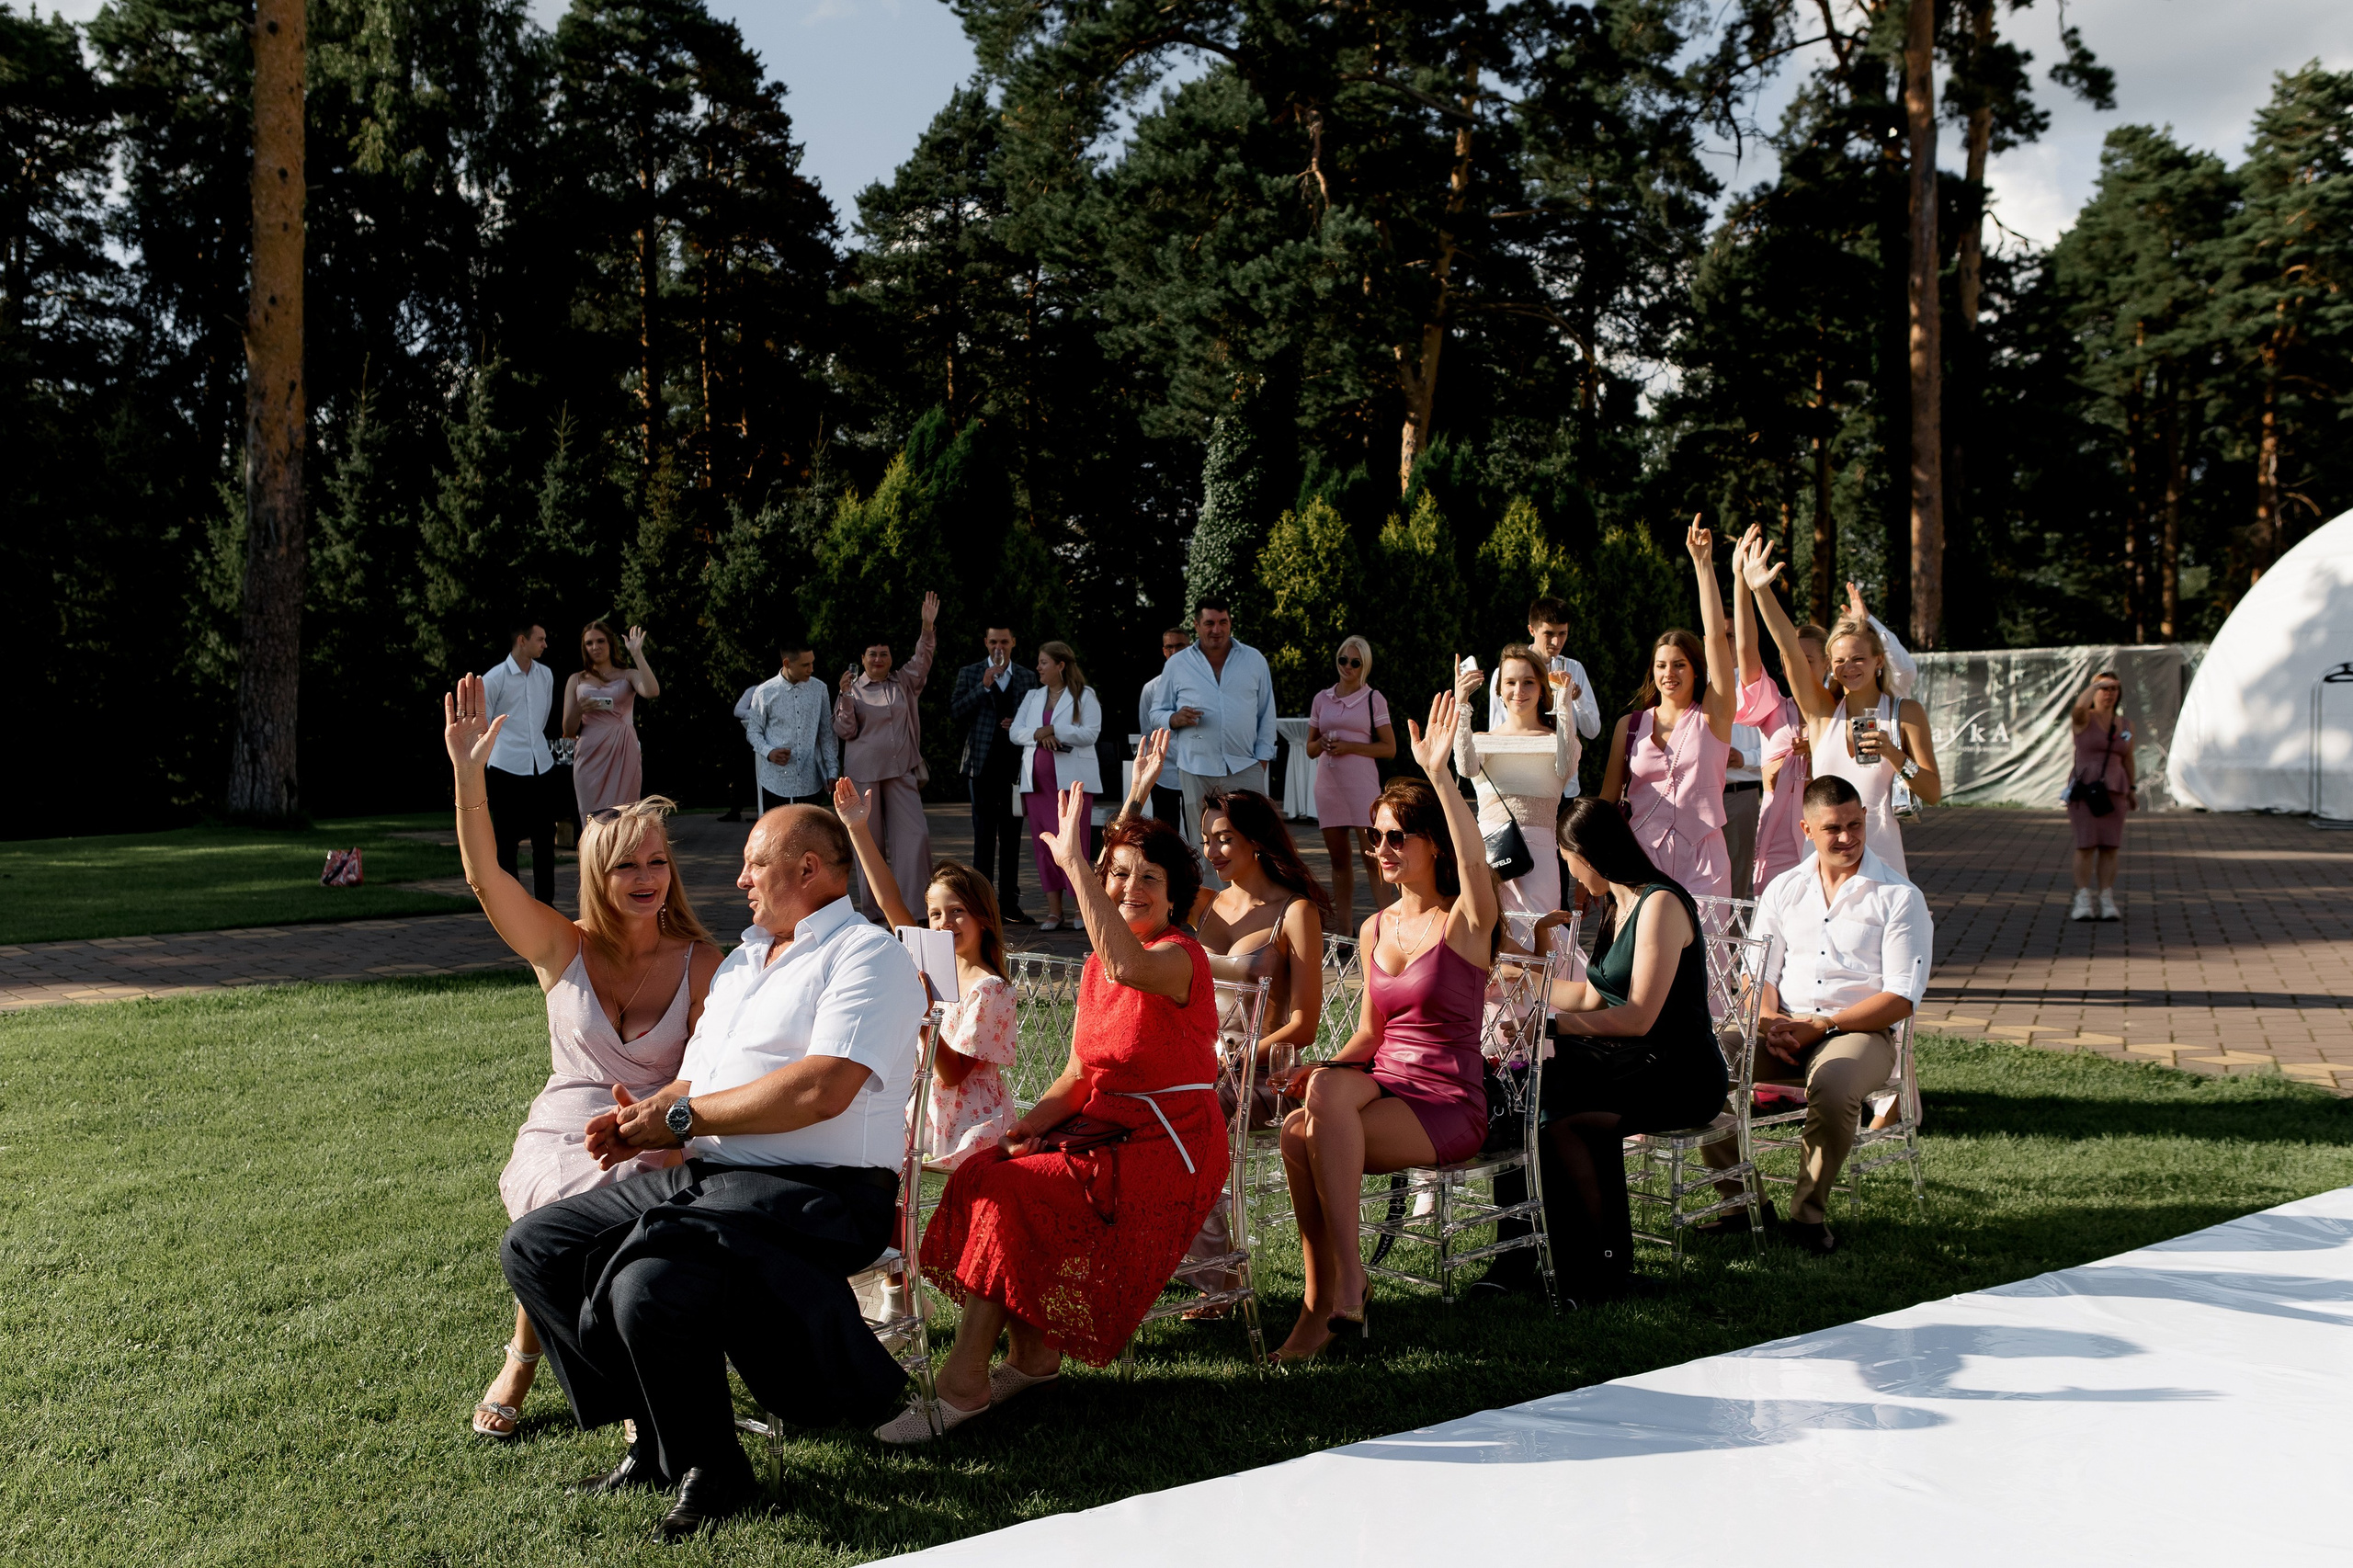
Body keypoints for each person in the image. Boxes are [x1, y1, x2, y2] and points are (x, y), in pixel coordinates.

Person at [500, 804, 929, 1538]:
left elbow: (821, 1087)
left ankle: (716, 1468)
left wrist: (680, 1122)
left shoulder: (867, 956)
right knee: (536, 1247)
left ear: (809, 872)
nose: (740, 879)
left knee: (646, 1285)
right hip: (712, 1181)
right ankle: (657, 1437)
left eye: (756, 864)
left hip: (818, 1193)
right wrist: (642, 1122)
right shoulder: (740, 961)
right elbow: (691, 1084)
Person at [893, 791, 1228, 1439]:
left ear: (1174, 896)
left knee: (1012, 1195)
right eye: (1120, 874)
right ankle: (1033, 1355)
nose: (1131, 888)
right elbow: (1079, 1075)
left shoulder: (1177, 957)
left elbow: (1132, 966)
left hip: (1167, 1147)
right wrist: (1028, 1127)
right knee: (983, 1172)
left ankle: (962, 1383)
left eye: (1149, 879)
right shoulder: (1098, 965)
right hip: (1100, 1132)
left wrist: (1077, 863)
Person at [441, 676, 723, 1446]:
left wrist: (652, 1116)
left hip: (654, 1124)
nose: (645, 879)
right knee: (556, 1210)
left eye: (657, 863)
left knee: (608, 1208)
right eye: (626, 866)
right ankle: (552, 1365)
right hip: (564, 1123)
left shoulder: (702, 961)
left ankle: (552, 1363)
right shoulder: (560, 946)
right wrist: (470, 775)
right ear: (598, 873)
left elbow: (718, 1067)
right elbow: (484, 878)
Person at [1267, 692, 1500, 1363]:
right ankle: (1328, 1298)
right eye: (1377, 836)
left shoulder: (1465, 921)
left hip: (1448, 1101)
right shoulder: (1373, 927)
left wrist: (1440, 776)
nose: (1382, 848)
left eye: (1398, 836)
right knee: (1303, 1119)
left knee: (1307, 1126)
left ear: (1432, 845)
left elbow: (1478, 863)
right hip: (1386, 1083)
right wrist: (1320, 1070)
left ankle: (1344, 1287)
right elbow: (1370, 1036)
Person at [1700, 775, 1932, 1256]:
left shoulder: (1899, 896)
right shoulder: (1783, 889)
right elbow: (1755, 975)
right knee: (1699, 1066)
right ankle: (1743, 1202)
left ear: (1865, 819)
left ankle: (1807, 1214)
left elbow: (1901, 998)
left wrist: (1821, 1026)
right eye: (1832, 829)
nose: (1846, 837)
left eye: (1854, 824)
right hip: (1782, 1025)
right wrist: (1770, 1025)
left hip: (1858, 1030)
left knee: (1834, 1084)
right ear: (1806, 829)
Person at [1521, 799, 1729, 1303]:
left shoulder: (1659, 903)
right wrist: (1520, 979)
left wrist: (1549, 1025)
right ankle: (1578, 1263)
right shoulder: (1620, 902)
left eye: (1568, 859)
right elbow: (1594, 996)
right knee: (1545, 1099)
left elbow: (1638, 1016)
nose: (1568, 870)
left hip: (1682, 1074)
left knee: (1567, 1117)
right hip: (1633, 1065)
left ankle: (1599, 1267)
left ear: (1587, 854)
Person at [834, 777, 1019, 1167]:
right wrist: (858, 828)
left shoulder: (991, 991)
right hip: (922, 1112)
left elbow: (953, 1075)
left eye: (957, 912)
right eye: (936, 914)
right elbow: (888, 901)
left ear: (983, 918)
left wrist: (924, 1017)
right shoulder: (932, 961)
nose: (945, 923)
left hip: (969, 1125)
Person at [1733, 538, 1942, 878]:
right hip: (1821, 861)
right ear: (1832, 665)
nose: (1850, 667)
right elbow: (1789, 649)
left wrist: (1894, 754)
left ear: (1878, 660)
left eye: (1859, 658)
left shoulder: (1905, 713)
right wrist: (1761, 591)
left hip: (1882, 859)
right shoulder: (1822, 713)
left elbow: (1932, 792)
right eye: (1841, 660)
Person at [1599, 517, 1738, 904]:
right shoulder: (1630, 726)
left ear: (1696, 670)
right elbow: (1607, 802)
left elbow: (1715, 639)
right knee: (1647, 962)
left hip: (1703, 862)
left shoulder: (1714, 715)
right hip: (1639, 861)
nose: (1669, 673)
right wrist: (1592, 866)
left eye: (1679, 664)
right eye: (1661, 665)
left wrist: (1703, 566)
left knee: (1704, 962)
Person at [1454, 642, 1580, 940]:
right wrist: (1461, 704)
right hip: (1490, 857)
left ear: (1541, 687)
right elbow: (1465, 767)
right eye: (1510, 682)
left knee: (1542, 942)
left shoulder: (1557, 740)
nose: (1519, 690)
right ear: (1499, 689)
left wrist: (1563, 702)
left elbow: (1566, 765)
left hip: (1539, 861)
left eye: (1528, 682)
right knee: (1489, 939)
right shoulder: (1483, 739)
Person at [1148, 599, 1278, 885]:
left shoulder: (1254, 659)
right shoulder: (1179, 664)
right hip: (1195, 766)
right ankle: (1212, 912)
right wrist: (1175, 718)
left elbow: (1267, 713)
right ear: (1197, 626)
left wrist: (1262, 761)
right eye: (1209, 623)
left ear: (1230, 623)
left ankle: (1256, 906)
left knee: (1253, 839)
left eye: (1223, 622)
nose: (1216, 629)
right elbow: (1156, 712)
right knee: (1203, 841)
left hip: (1245, 764)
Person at [834, 591, 941, 918]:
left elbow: (923, 658)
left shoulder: (904, 682)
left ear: (891, 657)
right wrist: (844, 696)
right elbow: (844, 730)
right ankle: (876, 912)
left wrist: (926, 626)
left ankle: (916, 910)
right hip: (863, 774)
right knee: (870, 844)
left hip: (901, 771)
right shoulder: (852, 686)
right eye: (872, 655)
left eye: (883, 654)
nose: (878, 659)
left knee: (916, 836)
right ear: (862, 658)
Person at [949, 625, 1042, 924]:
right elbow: (955, 711)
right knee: (984, 837)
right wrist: (983, 686)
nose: (998, 647)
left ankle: (1009, 904)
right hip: (981, 765)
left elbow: (1039, 716)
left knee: (1013, 835)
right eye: (993, 642)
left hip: (1015, 767)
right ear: (985, 643)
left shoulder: (1028, 676)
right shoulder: (971, 672)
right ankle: (982, 904)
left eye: (1004, 641)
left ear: (1013, 642)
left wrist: (1020, 722)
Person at [1012, 641, 1103, 930]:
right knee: (1044, 846)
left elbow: (1090, 733)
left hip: (1073, 784)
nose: (1038, 668)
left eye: (1043, 663)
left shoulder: (1084, 695)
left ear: (1060, 665)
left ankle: (1081, 908)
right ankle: (1054, 911)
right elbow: (1016, 732)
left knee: (1076, 844)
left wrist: (1055, 730)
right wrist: (1041, 735)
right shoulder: (1033, 696)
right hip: (1038, 785)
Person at [1307, 636, 1396, 926]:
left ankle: (1389, 925)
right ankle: (1344, 931)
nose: (1347, 666)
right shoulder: (1322, 698)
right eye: (1343, 660)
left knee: (1374, 855)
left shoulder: (1373, 698)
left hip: (1362, 785)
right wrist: (1322, 741)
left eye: (1355, 662)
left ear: (1364, 666)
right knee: (1338, 861)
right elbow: (1309, 750)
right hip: (1328, 784)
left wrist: (1350, 747)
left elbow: (1389, 748)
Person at [1495, 595, 1602, 801]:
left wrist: (1578, 697)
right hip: (1520, 785)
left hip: (1565, 788)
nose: (1556, 642)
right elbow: (1497, 729)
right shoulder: (1506, 671)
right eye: (1549, 634)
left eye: (1563, 634)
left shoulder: (1574, 669)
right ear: (1532, 630)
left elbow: (1592, 731)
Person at [483, 619, 558, 904]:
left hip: (541, 766)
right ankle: (512, 909)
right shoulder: (494, 678)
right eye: (540, 639)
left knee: (544, 840)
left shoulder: (546, 676)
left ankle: (545, 906)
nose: (545, 644)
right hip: (505, 769)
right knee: (506, 842)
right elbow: (485, 726)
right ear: (522, 641)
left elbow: (542, 717)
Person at [564, 620, 661, 819]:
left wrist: (637, 655)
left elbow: (652, 691)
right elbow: (568, 730)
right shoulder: (576, 679)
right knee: (591, 816)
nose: (595, 647)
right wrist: (578, 709)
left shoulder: (628, 675)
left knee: (623, 815)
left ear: (610, 643)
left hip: (623, 750)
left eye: (600, 641)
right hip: (589, 752)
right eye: (589, 643)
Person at [2066, 671, 2138, 922]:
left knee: (2110, 846)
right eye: (2103, 688)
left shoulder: (2126, 726)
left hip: (2115, 790)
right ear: (2094, 691)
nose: (2109, 693)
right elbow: (2077, 708)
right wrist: (2094, 684)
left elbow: (2127, 757)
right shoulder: (2084, 719)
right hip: (2086, 791)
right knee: (2085, 845)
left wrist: (2132, 788)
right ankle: (2083, 898)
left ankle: (2106, 898)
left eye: (2113, 689)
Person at [742, 638, 840, 814]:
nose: (811, 669)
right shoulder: (764, 692)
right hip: (775, 781)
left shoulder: (820, 689)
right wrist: (769, 752)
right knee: (778, 838)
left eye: (812, 663)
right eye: (805, 665)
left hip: (811, 781)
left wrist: (832, 770)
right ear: (787, 663)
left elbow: (826, 733)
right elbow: (753, 731)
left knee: (811, 837)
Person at [1137, 626, 1192, 826]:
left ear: (1190, 647)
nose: (1175, 651)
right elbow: (1146, 732)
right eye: (1170, 647)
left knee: (1201, 830)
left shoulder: (1204, 685)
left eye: (1180, 646)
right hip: (1163, 771)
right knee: (1164, 833)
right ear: (1164, 651)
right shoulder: (1151, 688)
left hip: (1196, 768)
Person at [1723, 722, 1764, 900]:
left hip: (1739, 793)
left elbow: (1782, 749)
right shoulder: (1696, 695)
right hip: (1692, 797)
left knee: (1734, 881)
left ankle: (1728, 928)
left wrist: (1745, 758)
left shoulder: (1762, 698)